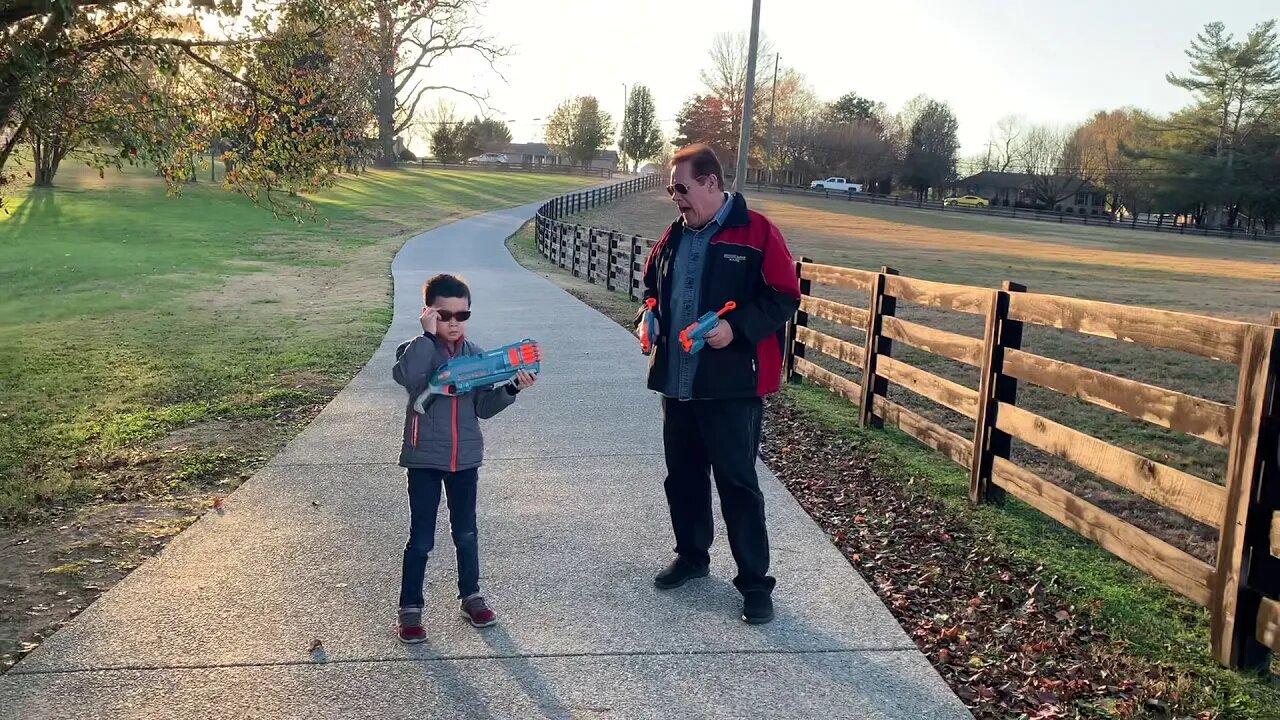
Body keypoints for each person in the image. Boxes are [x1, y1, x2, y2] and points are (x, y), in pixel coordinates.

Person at [637, 144, 801, 624]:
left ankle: (754, 584)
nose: (676, 198)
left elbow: (785, 296)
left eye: (681, 188)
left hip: (732, 388)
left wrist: (738, 329)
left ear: (711, 183)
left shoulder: (758, 233)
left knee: (737, 484)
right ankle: (691, 557)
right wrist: (648, 316)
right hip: (678, 383)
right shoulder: (672, 237)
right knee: (682, 479)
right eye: (672, 189)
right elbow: (651, 288)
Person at [391, 273, 537, 644]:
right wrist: (425, 337)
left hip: (465, 457)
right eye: (444, 315)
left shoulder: (476, 356)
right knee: (421, 538)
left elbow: (484, 407)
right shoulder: (415, 350)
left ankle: (471, 595)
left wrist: (510, 387)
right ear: (428, 313)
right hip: (425, 457)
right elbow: (407, 377)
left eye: (462, 315)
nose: (453, 323)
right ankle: (410, 608)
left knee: (467, 532)